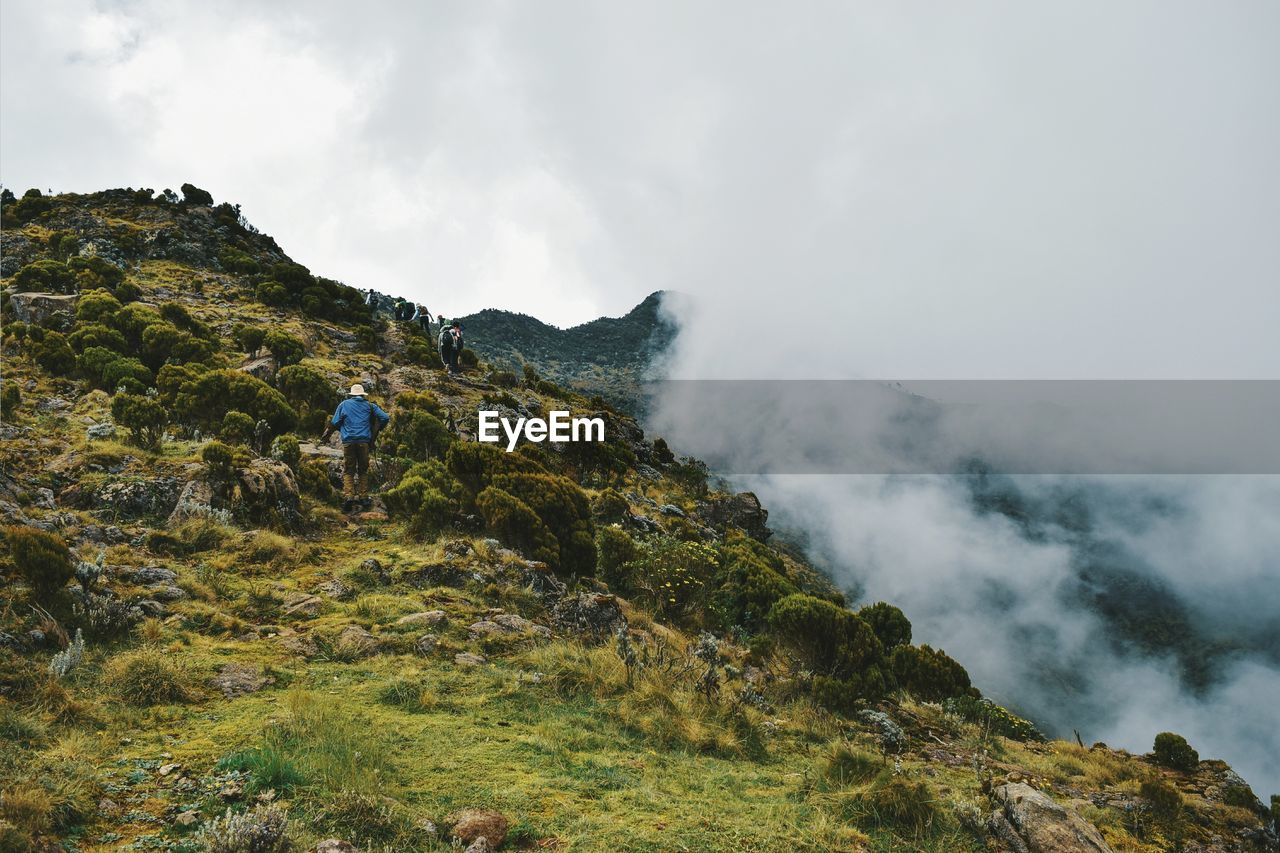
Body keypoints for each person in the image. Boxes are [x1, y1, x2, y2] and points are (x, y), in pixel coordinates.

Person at [321, 384, 390, 510]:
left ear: (352, 394)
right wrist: (377, 429)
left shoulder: (343, 405)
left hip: (348, 441)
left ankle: (349, 497)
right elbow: (385, 417)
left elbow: (335, 422)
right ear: (362, 395)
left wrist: (326, 436)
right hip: (364, 441)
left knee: (349, 470)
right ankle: (363, 498)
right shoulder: (370, 406)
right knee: (363, 469)